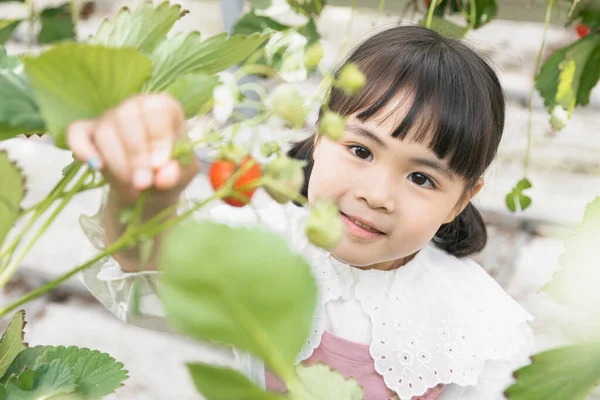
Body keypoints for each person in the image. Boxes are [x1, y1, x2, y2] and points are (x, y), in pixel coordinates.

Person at [69, 26, 534, 400]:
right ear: (320, 134)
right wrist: (145, 193)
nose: (376, 195)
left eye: (421, 178)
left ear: (461, 199)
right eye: (360, 150)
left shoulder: (480, 324)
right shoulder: (266, 243)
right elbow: (146, 265)